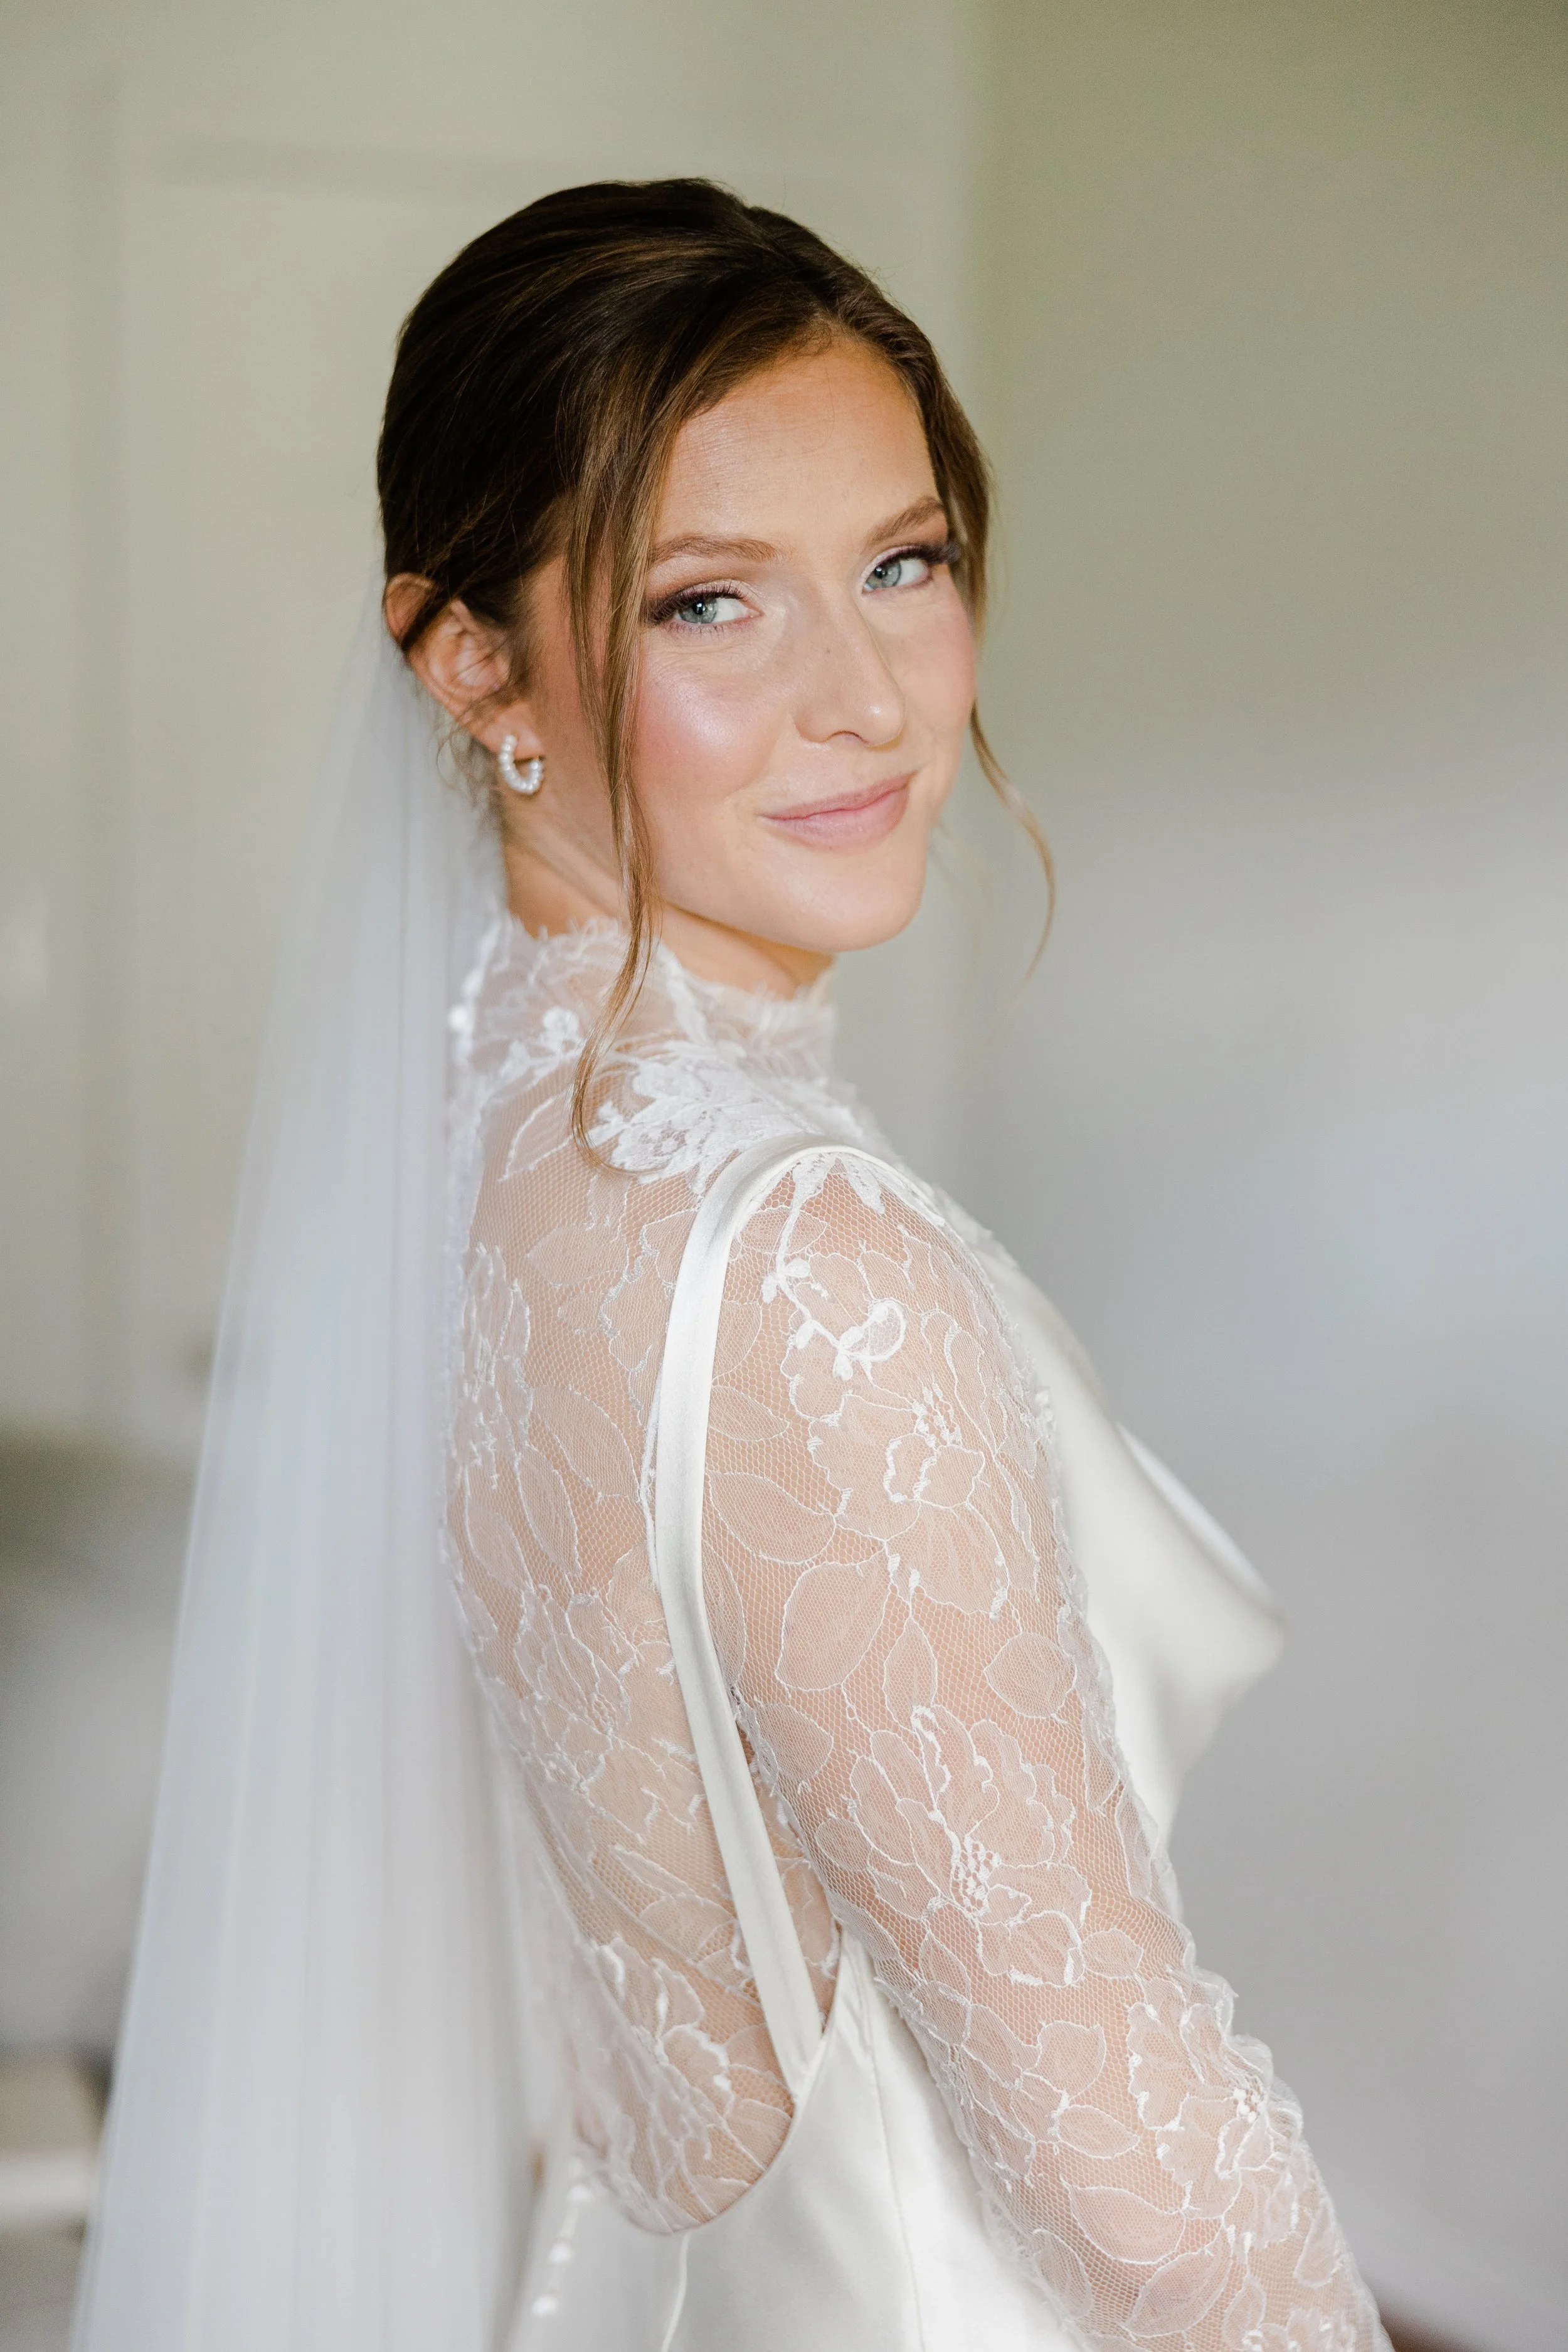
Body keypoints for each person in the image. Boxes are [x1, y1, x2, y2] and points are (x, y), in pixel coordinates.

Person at [72, 181, 1390, 2352]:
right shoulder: (813, 1282)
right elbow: (1144, 2200)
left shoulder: (464, 1127)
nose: (869, 697)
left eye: (904, 563)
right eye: (710, 604)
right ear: (469, 654)